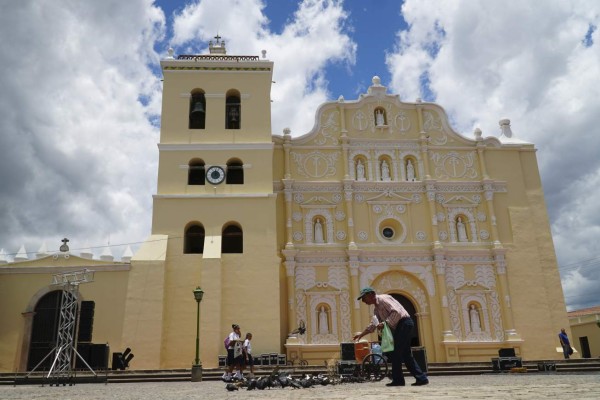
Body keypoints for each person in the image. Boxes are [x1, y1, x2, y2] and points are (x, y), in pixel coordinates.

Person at [353, 287, 428, 387]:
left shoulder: (383, 299)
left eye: (364, 297)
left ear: (371, 294)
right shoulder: (376, 309)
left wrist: (384, 324)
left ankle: (398, 380)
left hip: (404, 323)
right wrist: (361, 334)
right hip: (401, 326)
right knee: (405, 354)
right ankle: (421, 378)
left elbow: (396, 312)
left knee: (395, 352)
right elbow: (374, 324)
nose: (363, 301)